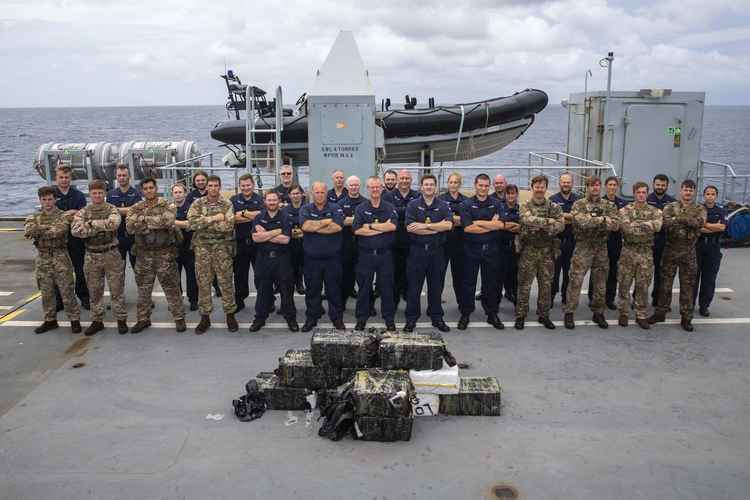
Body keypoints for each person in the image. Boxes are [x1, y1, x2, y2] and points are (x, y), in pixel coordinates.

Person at [125, 178, 186, 333]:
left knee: (172, 287)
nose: (149, 190)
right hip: (143, 255)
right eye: (145, 188)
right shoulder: (136, 207)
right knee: (143, 290)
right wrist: (153, 223)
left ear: (156, 188)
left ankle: (179, 317)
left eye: (151, 187)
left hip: (164, 253)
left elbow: (168, 221)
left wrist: (142, 222)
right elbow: (130, 227)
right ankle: (143, 319)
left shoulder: (167, 205)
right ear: (142, 191)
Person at [71, 180, 128, 336]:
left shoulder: (112, 209)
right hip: (92, 255)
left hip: (111, 254)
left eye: (100, 193)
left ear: (105, 194)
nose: (97, 195)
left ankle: (121, 319)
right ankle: (97, 321)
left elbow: (114, 224)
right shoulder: (83, 211)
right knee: (94, 291)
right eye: (94, 193)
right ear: (90, 194)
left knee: (117, 289)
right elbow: (76, 231)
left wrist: (90, 225)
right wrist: (99, 225)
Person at [649, 179, 707, 331]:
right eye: (685, 189)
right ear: (681, 190)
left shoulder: (700, 208)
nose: (688, 192)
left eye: (691, 190)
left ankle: (686, 317)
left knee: (687, 286)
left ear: (694, 192)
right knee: (665, 284)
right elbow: (666, 224)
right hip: (671, 250)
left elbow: (700, 223)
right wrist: (688, 221)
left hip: (689, 252)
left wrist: (679, 219)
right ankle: (661, 312)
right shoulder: (670, 206)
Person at [563, 177, 619, 330]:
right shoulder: (579, 204)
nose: (595, 188)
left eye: (597, 185)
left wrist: (594, 219)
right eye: (592, 185)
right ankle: (569, 312)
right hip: (583, 247)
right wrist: (603, 220)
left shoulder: (609, 205)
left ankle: (598, 312)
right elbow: (581, 221)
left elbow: (615, 225)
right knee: (575, 281)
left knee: (600, 283)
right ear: (587, 187)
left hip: (601, 248)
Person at [24, 186, 82, 334]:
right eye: (44, 199)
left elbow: (58, 231)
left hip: (60, 256)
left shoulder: (63, 216)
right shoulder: (33, 216)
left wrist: (40, 229)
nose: (47, 202)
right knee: (46, 291)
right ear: (40, 200)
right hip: (42, 258)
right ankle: (50, 320)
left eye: (50, 199)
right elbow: (29, 231)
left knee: (67, 290)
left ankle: (74, 319)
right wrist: (46, 228)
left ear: (55, 199)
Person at [187, 175, 238, 334]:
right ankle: (205, 317)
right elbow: (192, 223)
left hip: (222, 248)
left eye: (216, 185)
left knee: (226, 282)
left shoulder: (227, 204)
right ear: (207, 187)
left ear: (220, 187)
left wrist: (205, 223)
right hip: (203, 249)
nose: (213, 188)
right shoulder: (198, 203)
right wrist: (214, 218)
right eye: (211, 185)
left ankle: (230, 315)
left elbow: (228, 226)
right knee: (203, 283)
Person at [404, 174, 452, 332]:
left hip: (437, 252)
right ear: (421, 187)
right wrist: (436, 227)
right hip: (417, 253)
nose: (429, 187)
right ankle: (411, 319)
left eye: (432, 184)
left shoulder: (443, 205)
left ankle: (437, 318)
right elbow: (410, 228)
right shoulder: (412, 205)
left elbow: (448, 226)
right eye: (426, 184)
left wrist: (423, 227)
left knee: (436, 287)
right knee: (413, 288)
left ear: (435, 187)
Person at [457, 173, 505, 330]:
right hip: (471, 250)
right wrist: (490, 224)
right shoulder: (466, 204)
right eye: (480, 185)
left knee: (490, 283)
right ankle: (465, 313)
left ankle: (491, 314)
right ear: (475, 185)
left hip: (491, 250)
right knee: (468, 283)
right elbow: (468, 228)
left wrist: (479, 222)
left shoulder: (497, 203)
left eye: (486, 186)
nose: (483, 188)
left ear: (489, 186)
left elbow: (501, 225)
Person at [515, 175, 563, 330]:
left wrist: (540, 223)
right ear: (532, 187)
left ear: (546, 188)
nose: (539, 189)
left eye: (542, 187)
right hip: (529, 250)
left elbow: (560, 226)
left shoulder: (553, 207)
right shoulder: (525, 206)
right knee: (524, 285)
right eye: (537, 186)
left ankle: (544, 315)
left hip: (547, 252)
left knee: (546, 286)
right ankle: (521, 315)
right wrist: (548, 222)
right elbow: (526, 220)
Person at [248, 191, 299, 332]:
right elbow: (255, 238)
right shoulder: (259, 217)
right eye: (269, 200)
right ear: (265, 201)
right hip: (263, 259)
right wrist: (276, 231)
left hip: (282, 258)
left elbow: (286, 239)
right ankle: (260, 318)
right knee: (263, 290)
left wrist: (265, 234)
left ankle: (291, 318)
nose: (271, 202)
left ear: (279, 201)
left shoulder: (285, 217)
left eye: (274, 200)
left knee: (286, 290)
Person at [353, 176, 398, 331]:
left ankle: (389, 319)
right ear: (368, 188)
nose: (375, 190)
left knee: (386, 288)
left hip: (385, 255)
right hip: (366, 255)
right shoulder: (360, 208)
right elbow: (358, 230)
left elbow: (392, 227)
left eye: (377, 187)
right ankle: (361, 318)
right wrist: (381, 228)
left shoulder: (389, 207)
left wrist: (370, 226)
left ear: (382, 188)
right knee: (364, 288)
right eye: (372, 187)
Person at [300, 181, 346, 332]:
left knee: (334, 290)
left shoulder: (335, 208)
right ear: (312, 193)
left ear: (327, 193)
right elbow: (305, 227)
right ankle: (311, 318)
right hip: (311, 260)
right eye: (317, 192)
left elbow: (337, 227)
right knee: (312, 290)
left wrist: (315, 227)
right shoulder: (305, 208)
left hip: (332, 259)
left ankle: (337, 318)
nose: (320, 195)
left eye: (322, 192)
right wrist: (326, 222)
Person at [617, 182, 662, 329]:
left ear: (647, 194)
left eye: (644, 192)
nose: (641, 195)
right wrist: (646, 225)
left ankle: (641, 314)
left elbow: (658, 226)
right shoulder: (625, 210)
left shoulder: (655, 211)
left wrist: (637, 224)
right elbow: (627, 229)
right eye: (638, 192)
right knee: (624, 283)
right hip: (628, 252)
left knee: (643, 285)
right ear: (634, 193)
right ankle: (623, 312)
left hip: (645, 252)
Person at [53, 164, 89, 310]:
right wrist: (69, 214)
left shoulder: (79, 196)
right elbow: (49, 216)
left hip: (76, 240)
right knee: (59, 270)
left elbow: (82, 216)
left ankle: (84, 297)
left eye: (66, 177)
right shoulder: (51, 196)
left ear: (71, 178)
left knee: (80, 270)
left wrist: (63, 215)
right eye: (61, 177)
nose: (64, 180)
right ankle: (59, 300)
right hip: (58, 240)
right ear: (56, 178)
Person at [383, 169, 420, 310]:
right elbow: (390, 215)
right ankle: (393, 302)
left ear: (411, 180)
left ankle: (410, 305)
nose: (404, 181)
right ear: (398, 180)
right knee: (393, 275)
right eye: (402, 178)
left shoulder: (417, 195)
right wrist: (409, 212)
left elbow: (419, 214)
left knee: (412, 275)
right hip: (393, 243)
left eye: (407, 178)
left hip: (413, 242)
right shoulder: (388, 196)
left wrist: (399, 211)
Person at [231, 174, 263, 313]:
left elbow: (263, 216)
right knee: (239, 274)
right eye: (243, 185)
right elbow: (232, 219)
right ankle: (239, 301)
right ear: (240, 186)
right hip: (240, 243)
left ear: (253, 185)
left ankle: (266, 300)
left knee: (261, 274)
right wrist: (252, 216)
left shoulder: (260, 199)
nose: (246, 188)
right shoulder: (233, 200)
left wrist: (243, 214)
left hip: (258, 244)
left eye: (248, 185)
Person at [595, 176, 627, 310]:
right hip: (602, 241)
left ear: (617, 187)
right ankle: (594, 298)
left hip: (616, 241)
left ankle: (609, 298)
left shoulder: (623, 203)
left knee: (613, 271)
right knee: (599, 271)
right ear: (605, 186)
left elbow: (623, 222)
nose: (612, 187)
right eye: (610, 185)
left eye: (615, 185)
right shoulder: (599, 202)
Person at [695, 185, 727, 317]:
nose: (710, 196)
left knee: (709, 279)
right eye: (707, 194)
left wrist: (706, 224)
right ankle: (689, 304)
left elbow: (722, 227)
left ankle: (704, 306)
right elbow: (696, 227)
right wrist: (714, 227)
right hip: (698, 247)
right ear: (704, 195)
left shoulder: (721, 211)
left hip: (713, 248)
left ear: (716, 196)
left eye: (713, 194)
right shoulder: (698, 210)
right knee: (693, 278)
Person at [550, 173, 579, 307]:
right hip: (556, 242)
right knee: (553, 273)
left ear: (572, 183)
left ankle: (565, 297)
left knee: (569, 273)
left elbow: (579, 219)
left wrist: (563, 217)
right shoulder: (552, 199)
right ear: (559, 183)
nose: (566, 184)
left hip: (572, 241)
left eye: (568, 182)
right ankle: (550, 298)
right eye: (563, 182)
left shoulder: (578, 200)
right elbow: (553, 219)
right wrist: (569, 218)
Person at [439, 172, 466, 311]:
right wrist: (456, 219)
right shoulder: (441, 199)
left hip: (460, 243)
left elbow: (468, 220)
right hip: (443, 242)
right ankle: (435, 303)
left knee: (459, 275)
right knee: (439, 274)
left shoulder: (466, 200)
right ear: (447, 183)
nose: (453, 185)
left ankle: (462, 303)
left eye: (456, 182)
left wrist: (451, 219)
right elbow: (441, 219)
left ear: (460, 184)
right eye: (451, 182)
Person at [106, 164, 142, 270]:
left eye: (124, 175)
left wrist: (116, 210)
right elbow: (108, 212)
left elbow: (136, 211)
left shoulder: (136, 194)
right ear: (116, 177)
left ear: (129, 177)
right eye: (119, 175)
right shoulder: (111, 194)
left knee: (138, 269)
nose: (121, 178)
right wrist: (128, 210)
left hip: (133, 237)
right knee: (117, 271)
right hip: (117, 237)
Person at [647, 174, 676, 305]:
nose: (660, 187)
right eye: (658, 184)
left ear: (667, 186)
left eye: (663, 185)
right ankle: (638, 298)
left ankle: (657, 298)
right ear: (653, 184)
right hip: (648, 241)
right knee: (644, 272)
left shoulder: (672, 202)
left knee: (661, 272)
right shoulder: (647, 199)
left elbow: (674, 221)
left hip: (665, 241)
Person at [171, 184, 198, 310]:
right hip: (173, 248)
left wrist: (173, 222)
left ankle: (193, 300)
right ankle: (177, 300)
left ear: (185, 193)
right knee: (174, 277)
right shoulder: (169, 209)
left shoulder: (192, 208)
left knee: (191, 276)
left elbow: (190, 224)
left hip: (189, 247)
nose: (178, 194)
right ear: (172, 194)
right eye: (175, 192)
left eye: (180, 192)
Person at [340, 176, 366, 309]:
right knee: (345, 276)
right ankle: (342, 303)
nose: (354, 187)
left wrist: (350, 220)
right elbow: (340, 221)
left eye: (356, 185)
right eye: (351, 185)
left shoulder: (366, 202)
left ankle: (367, 306)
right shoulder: (341, 203)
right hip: (346, 245)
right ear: (347, 186)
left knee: (364, 278)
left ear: (359, 186)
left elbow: (369, 222)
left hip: (362, 245)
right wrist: (358, 219)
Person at [498, 184, 520, 306]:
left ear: (516, 195)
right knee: (499, 275)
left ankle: (515, 299)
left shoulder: (521, 209)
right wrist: (514, 226)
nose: (511, 196)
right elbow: (498, 224)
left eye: (513, 193)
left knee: (515, 275)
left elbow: (524, 226)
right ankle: (495, 305)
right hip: (501, 246)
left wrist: (506, 225)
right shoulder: (499, 208)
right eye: (508, 193)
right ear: (505, 195)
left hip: (516, 247)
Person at [287, 185, 306, 295]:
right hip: (290, 241)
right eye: (293, 193)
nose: (295, 196)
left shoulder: (307, 208)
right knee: (290, 265)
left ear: (302, 194)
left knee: (301, 265)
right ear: (289, 195)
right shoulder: (285, 210)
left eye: (297, 193)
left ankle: (299, 283)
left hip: (304, 241)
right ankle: (289, 284)